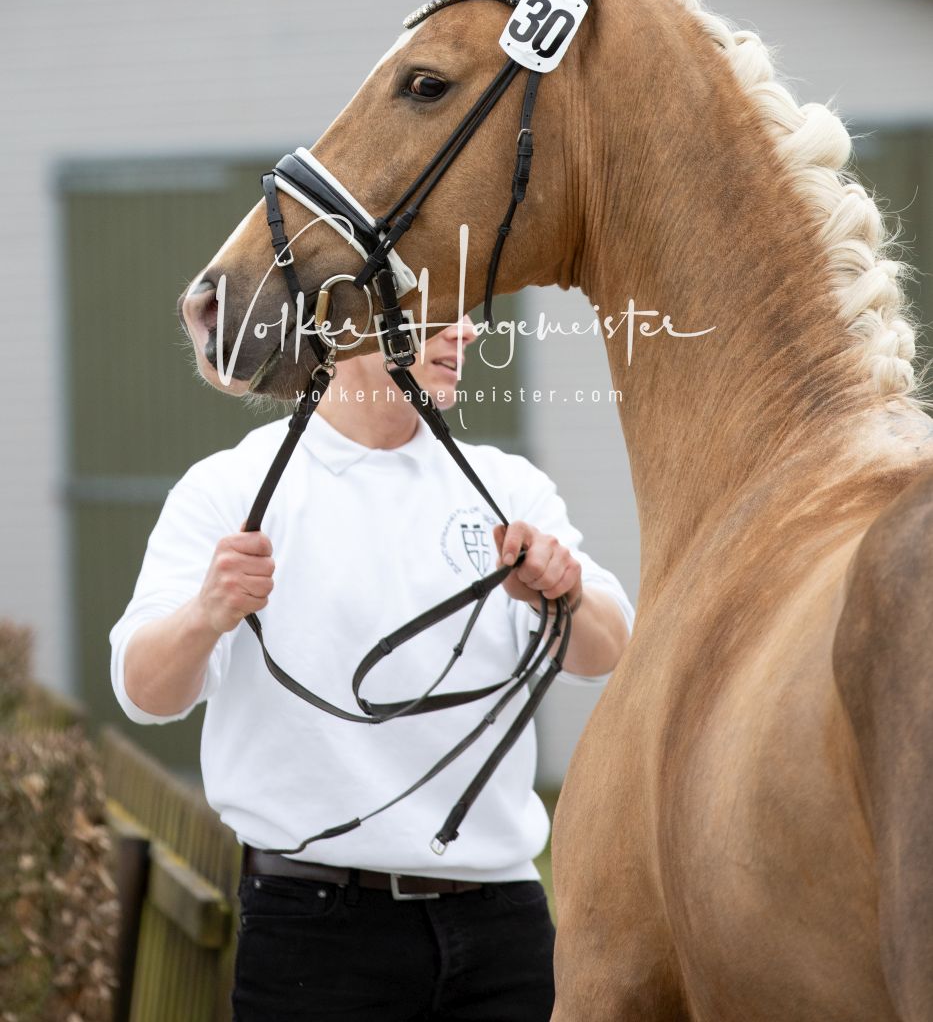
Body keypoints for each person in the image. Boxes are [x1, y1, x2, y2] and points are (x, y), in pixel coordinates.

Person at [110, 316, 633, 1021]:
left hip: (504, 928)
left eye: (468, 312)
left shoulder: (505, 485)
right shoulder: (231, 487)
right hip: (314, 933)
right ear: (348, 325)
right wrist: (206, 613)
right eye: (437, 311)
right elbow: (144, 693)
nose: (467, 331)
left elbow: (608, 652)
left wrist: (562, 592)